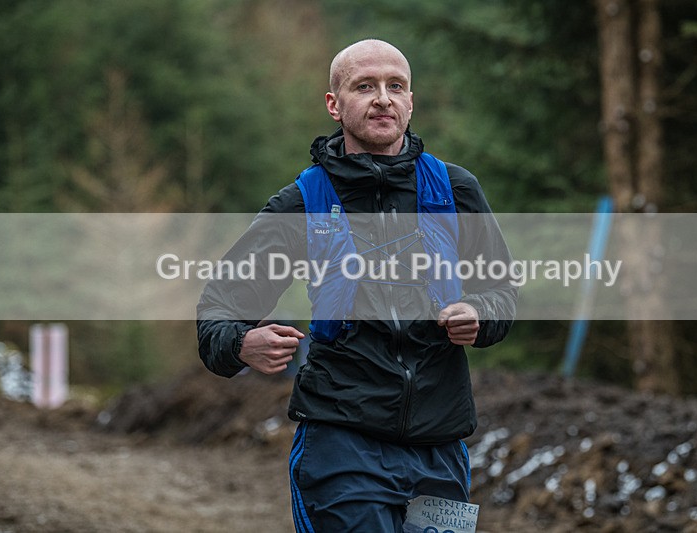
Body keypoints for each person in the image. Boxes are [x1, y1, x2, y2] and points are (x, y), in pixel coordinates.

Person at [197, 39, 517, 532]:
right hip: (342, 447)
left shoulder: (454, 190)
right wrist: (242, 343)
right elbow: (218, 307)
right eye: (364, 86)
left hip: (440, 449)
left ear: (411, 101)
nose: (383, 98)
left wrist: (482, 314)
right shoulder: (303, 202)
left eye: (396, 86)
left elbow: (504, 292)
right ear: (334, 104)